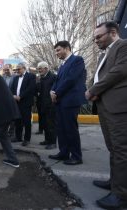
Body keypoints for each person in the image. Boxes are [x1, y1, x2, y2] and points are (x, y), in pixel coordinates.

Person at [85, 21, 127, 209]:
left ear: (113, 32)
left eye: (99, 36)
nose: (96, 40)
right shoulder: (105, 53)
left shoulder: (123, 46)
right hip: (105, 106)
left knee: (121, 151)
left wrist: (93, 89)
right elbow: (101, 76)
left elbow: (119, 72)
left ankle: (120, 195)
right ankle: (115, 182)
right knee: (113, 148)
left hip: (119, 107)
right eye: (94, 37)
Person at [49, 40, 86, 165]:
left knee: (70, 129)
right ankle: (63, 153)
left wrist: (57, 93)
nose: (56, 53)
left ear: (67, 48)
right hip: (60, 101)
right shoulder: (62, 65)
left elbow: (71, 80)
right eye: (56, 51)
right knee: (61, 128)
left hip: (70, 100)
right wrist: (52, 91)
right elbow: (57, 80)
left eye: (58, 50)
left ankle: (76, 156)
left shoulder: (77, 60)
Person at [10, 63, 36, 146]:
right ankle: (18, 137)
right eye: (16, 69)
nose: (17, 71)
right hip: (16, 102)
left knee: (27, 121)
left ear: (24, 68)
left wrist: (20, 96)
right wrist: (13, 95)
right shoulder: (16, 78)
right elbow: (12, 88)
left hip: (26, 102)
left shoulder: (31, 76)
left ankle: (27, 139)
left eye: (19, 69)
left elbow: (30, 88)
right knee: (18, 120)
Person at [36, 61, 57, 150]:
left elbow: (56, 90)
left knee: (51, 124)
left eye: (40, 68)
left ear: (46, 68)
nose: (39, 70)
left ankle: (52, 143)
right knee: (45, 124)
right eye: (38, 68)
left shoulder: (53, 77)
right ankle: (47, 140)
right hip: (42, 104)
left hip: (51, 105)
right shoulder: (41, 78)